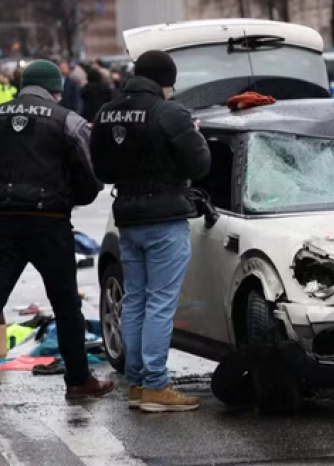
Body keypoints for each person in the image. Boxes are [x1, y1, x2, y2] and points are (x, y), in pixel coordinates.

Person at [0, 60, 111, 414]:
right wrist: (69, 199)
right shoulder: (66, 119)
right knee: (66, 304)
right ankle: (78, 380)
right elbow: (89, 178)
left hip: (0, 222)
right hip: (49, 221)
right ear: (56, 90)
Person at [90, 50, 210, 412]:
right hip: (164, 217)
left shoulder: (107, 112)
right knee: (160, 301)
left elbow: (102, 169)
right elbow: (201, 164)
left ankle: (139, 382)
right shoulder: (168, 112)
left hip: (127, 217)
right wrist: (196, 137)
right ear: (166, 80)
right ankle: (156, 385)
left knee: (137, 299)